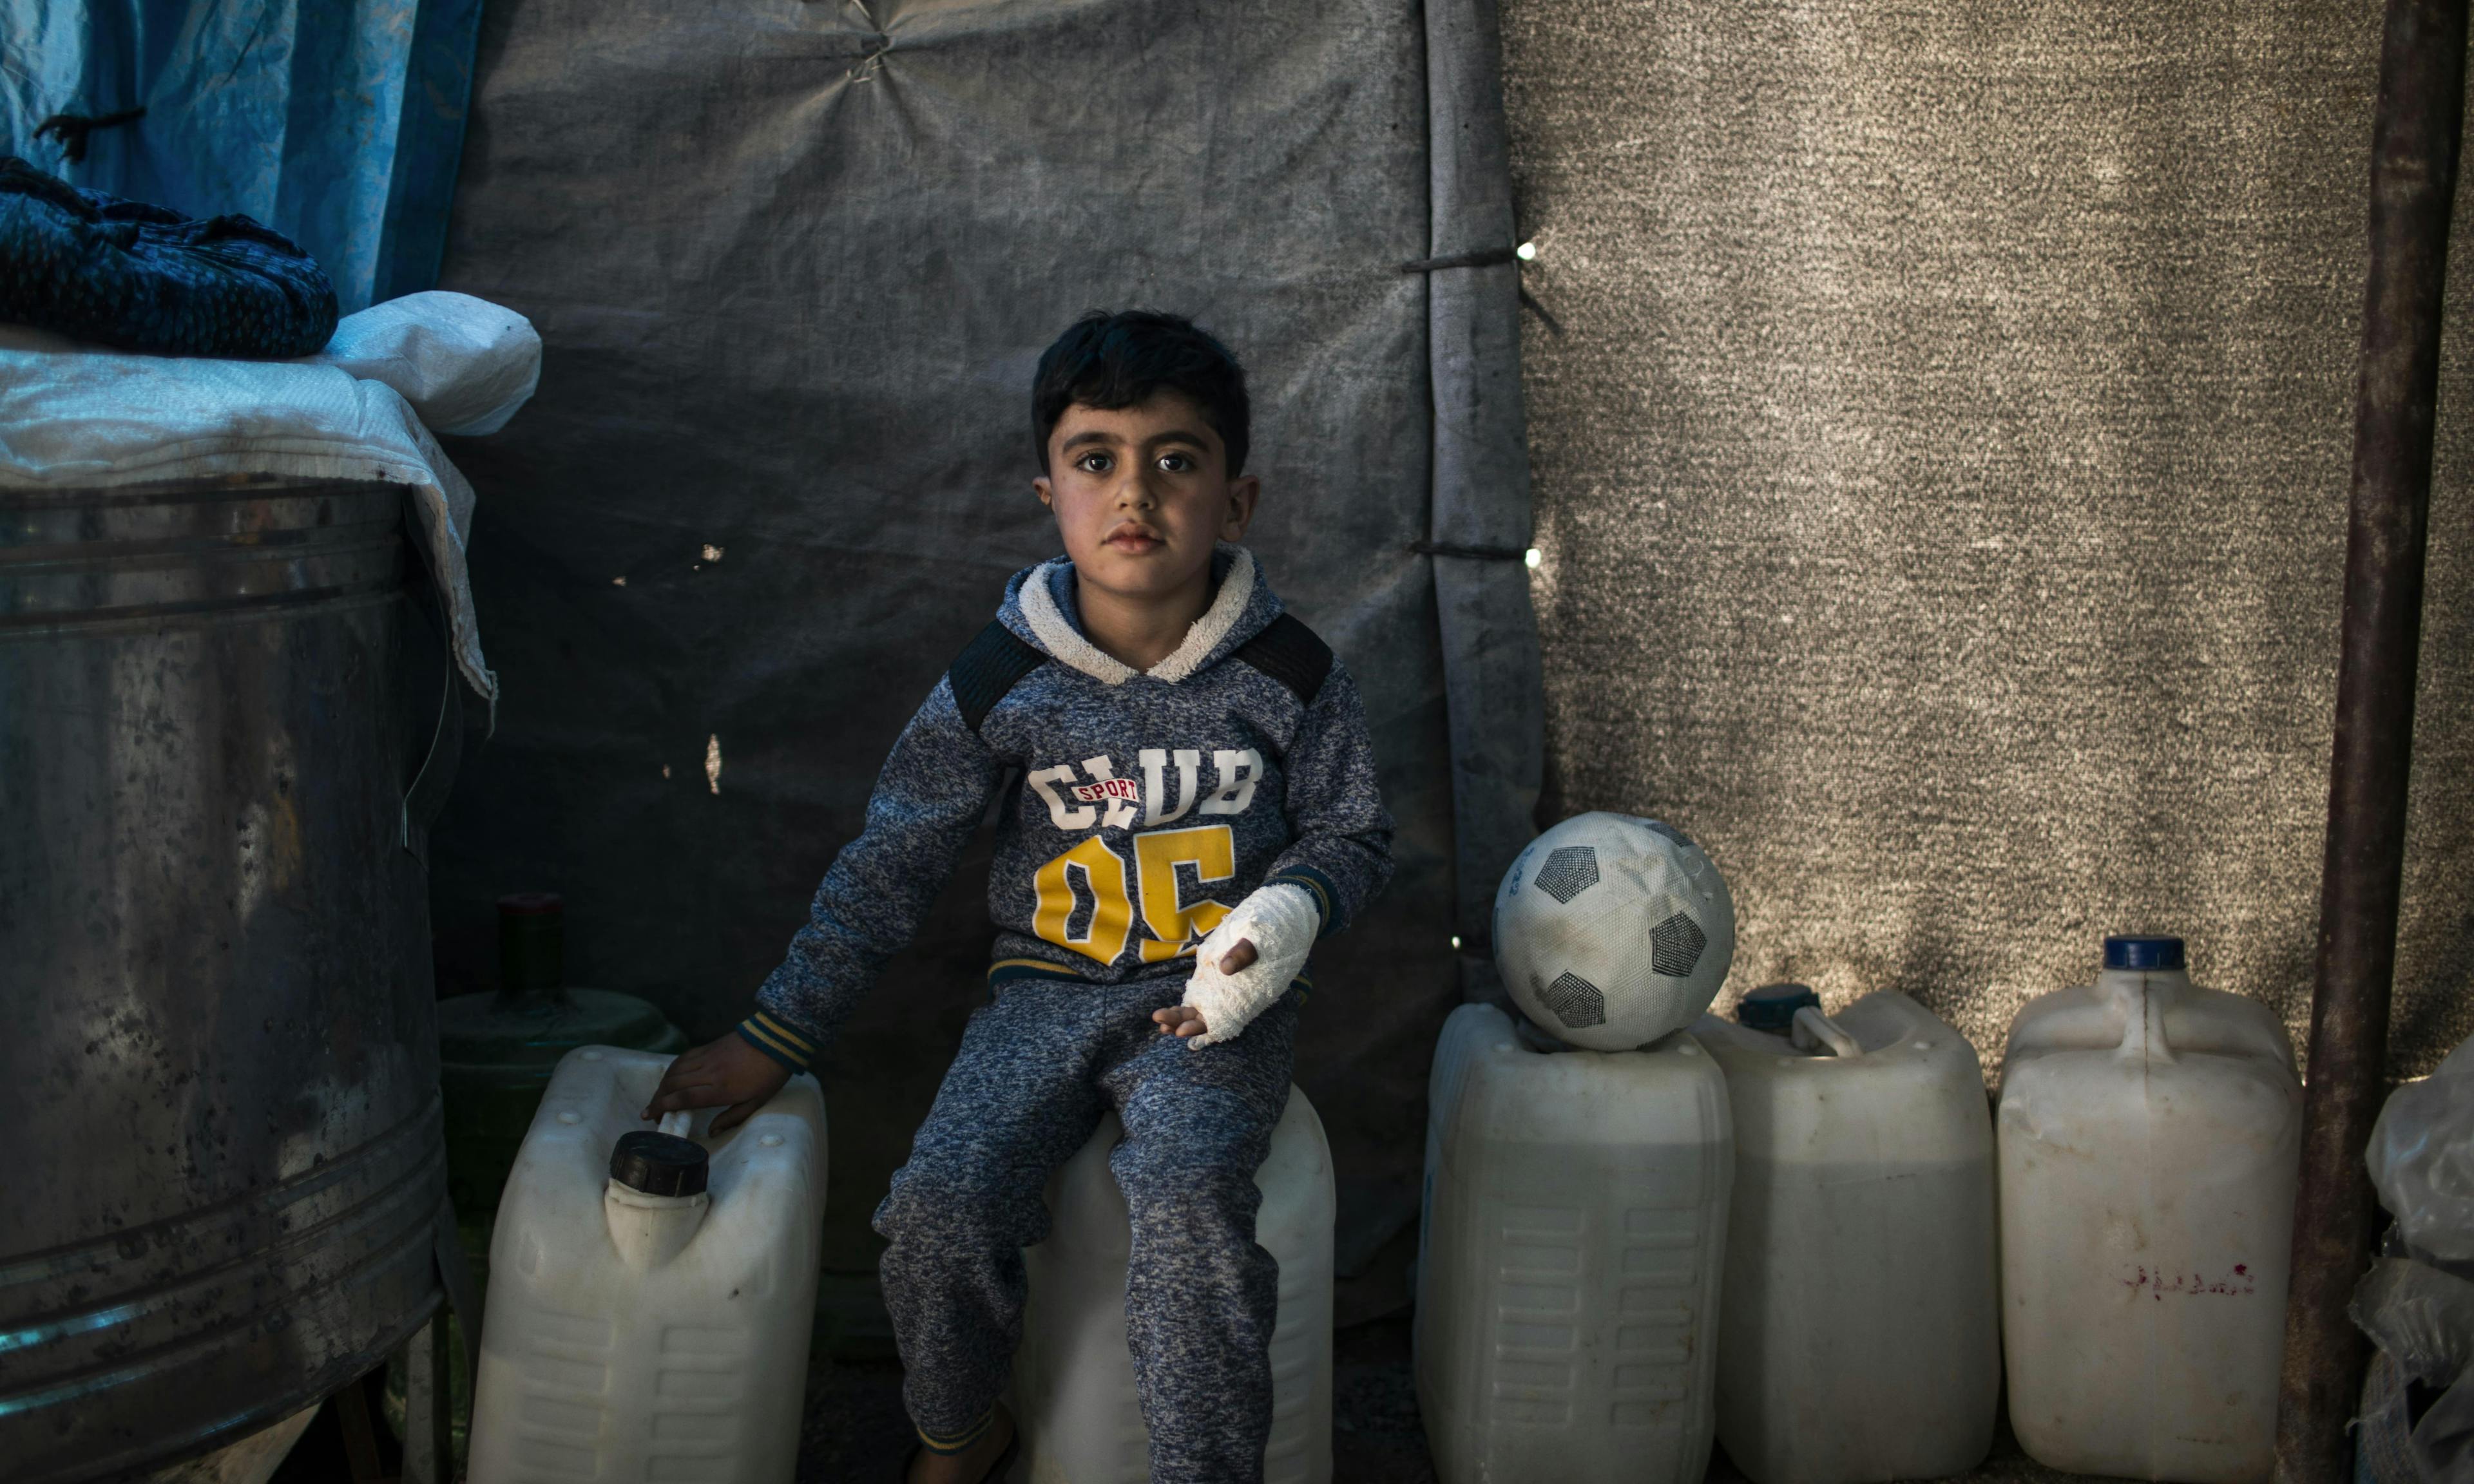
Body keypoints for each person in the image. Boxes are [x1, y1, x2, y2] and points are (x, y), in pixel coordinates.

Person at [644, 309, 1394, 1484]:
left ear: (1237, 502)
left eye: (1176, 460)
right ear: (1049, 490)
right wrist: (772, 1036)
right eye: (1097, 460)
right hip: (1041, 998)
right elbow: (891, 862)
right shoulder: (1002, 678)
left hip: (1207, 1008)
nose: (1134, 492)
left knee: (1194, 1203)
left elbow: (1354, 836)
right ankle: (962, 1427)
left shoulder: (1293, 672)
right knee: (937, 1211)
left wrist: (1285, 911)